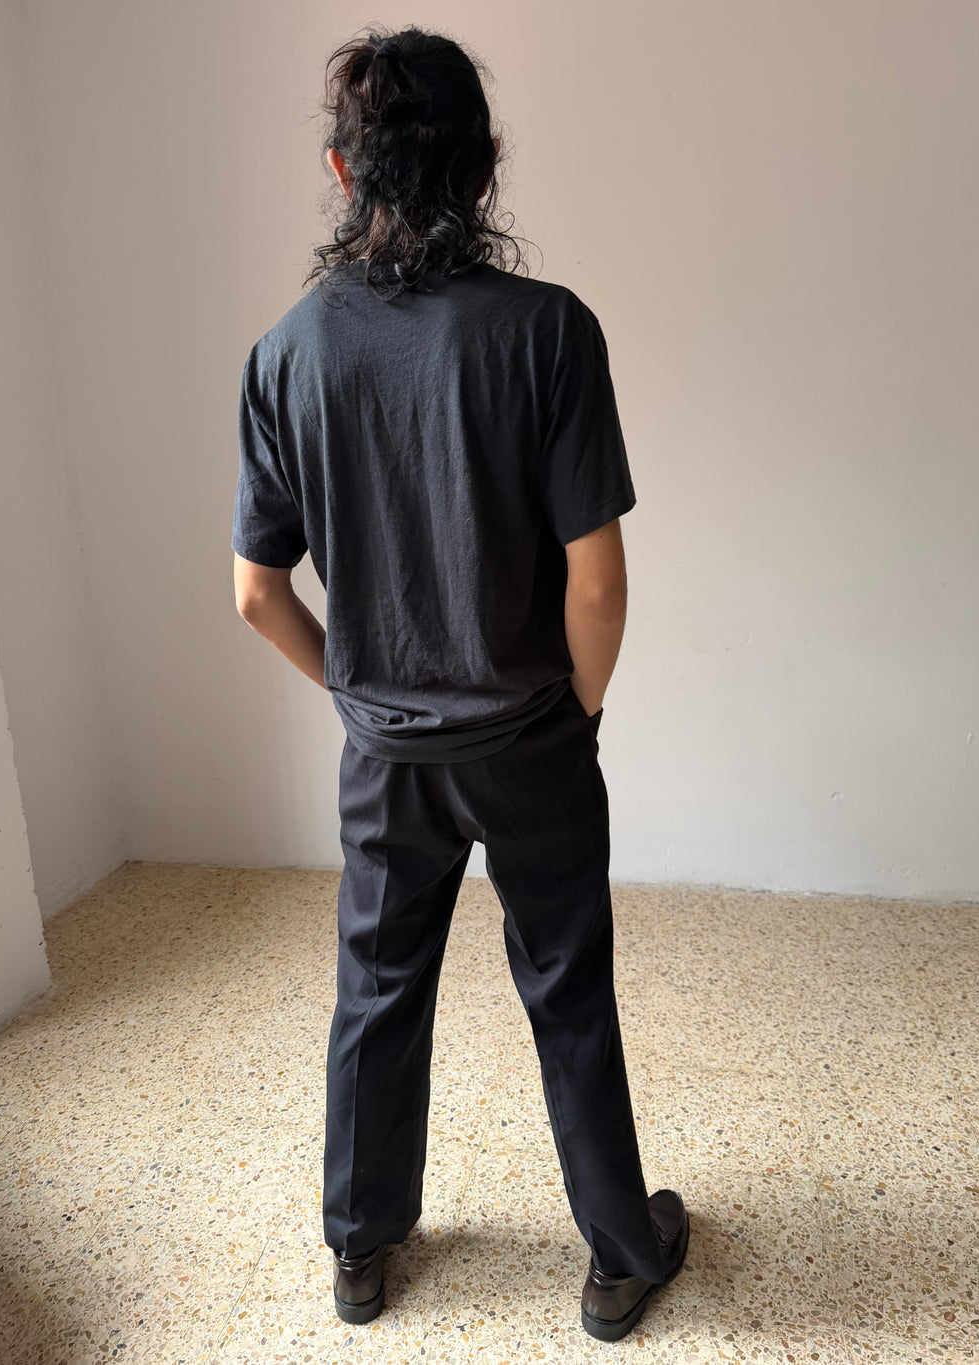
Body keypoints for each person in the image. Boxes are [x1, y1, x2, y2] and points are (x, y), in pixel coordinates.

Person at [231, 24, 689, 1342]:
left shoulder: (283, 355)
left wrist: (359, 694)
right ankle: (617, 1255)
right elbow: (595, 583)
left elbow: (258, 595)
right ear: (484, 173)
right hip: (533, 731)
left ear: (338, 167)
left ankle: (363, 1247)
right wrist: (578, 712)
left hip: (386, 749)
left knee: (376, 986)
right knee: (567, 982)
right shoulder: (549, 334)